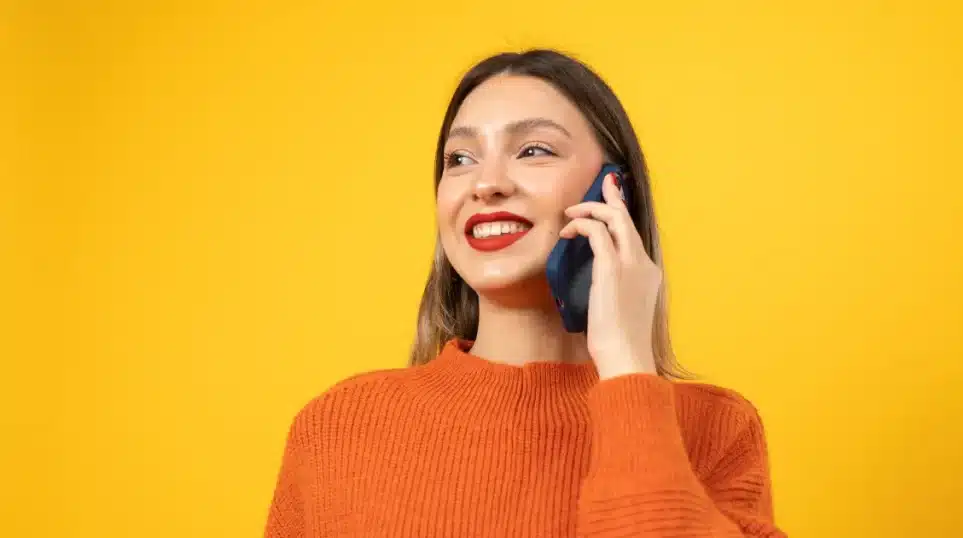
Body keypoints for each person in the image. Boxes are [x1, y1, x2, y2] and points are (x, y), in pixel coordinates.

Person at [264, 49, 787, 538]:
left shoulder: (715, 429)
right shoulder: (337, 428)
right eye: (460, 159)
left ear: (613, 191)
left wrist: (629, 370)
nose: (485, 183)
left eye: (533, 150)